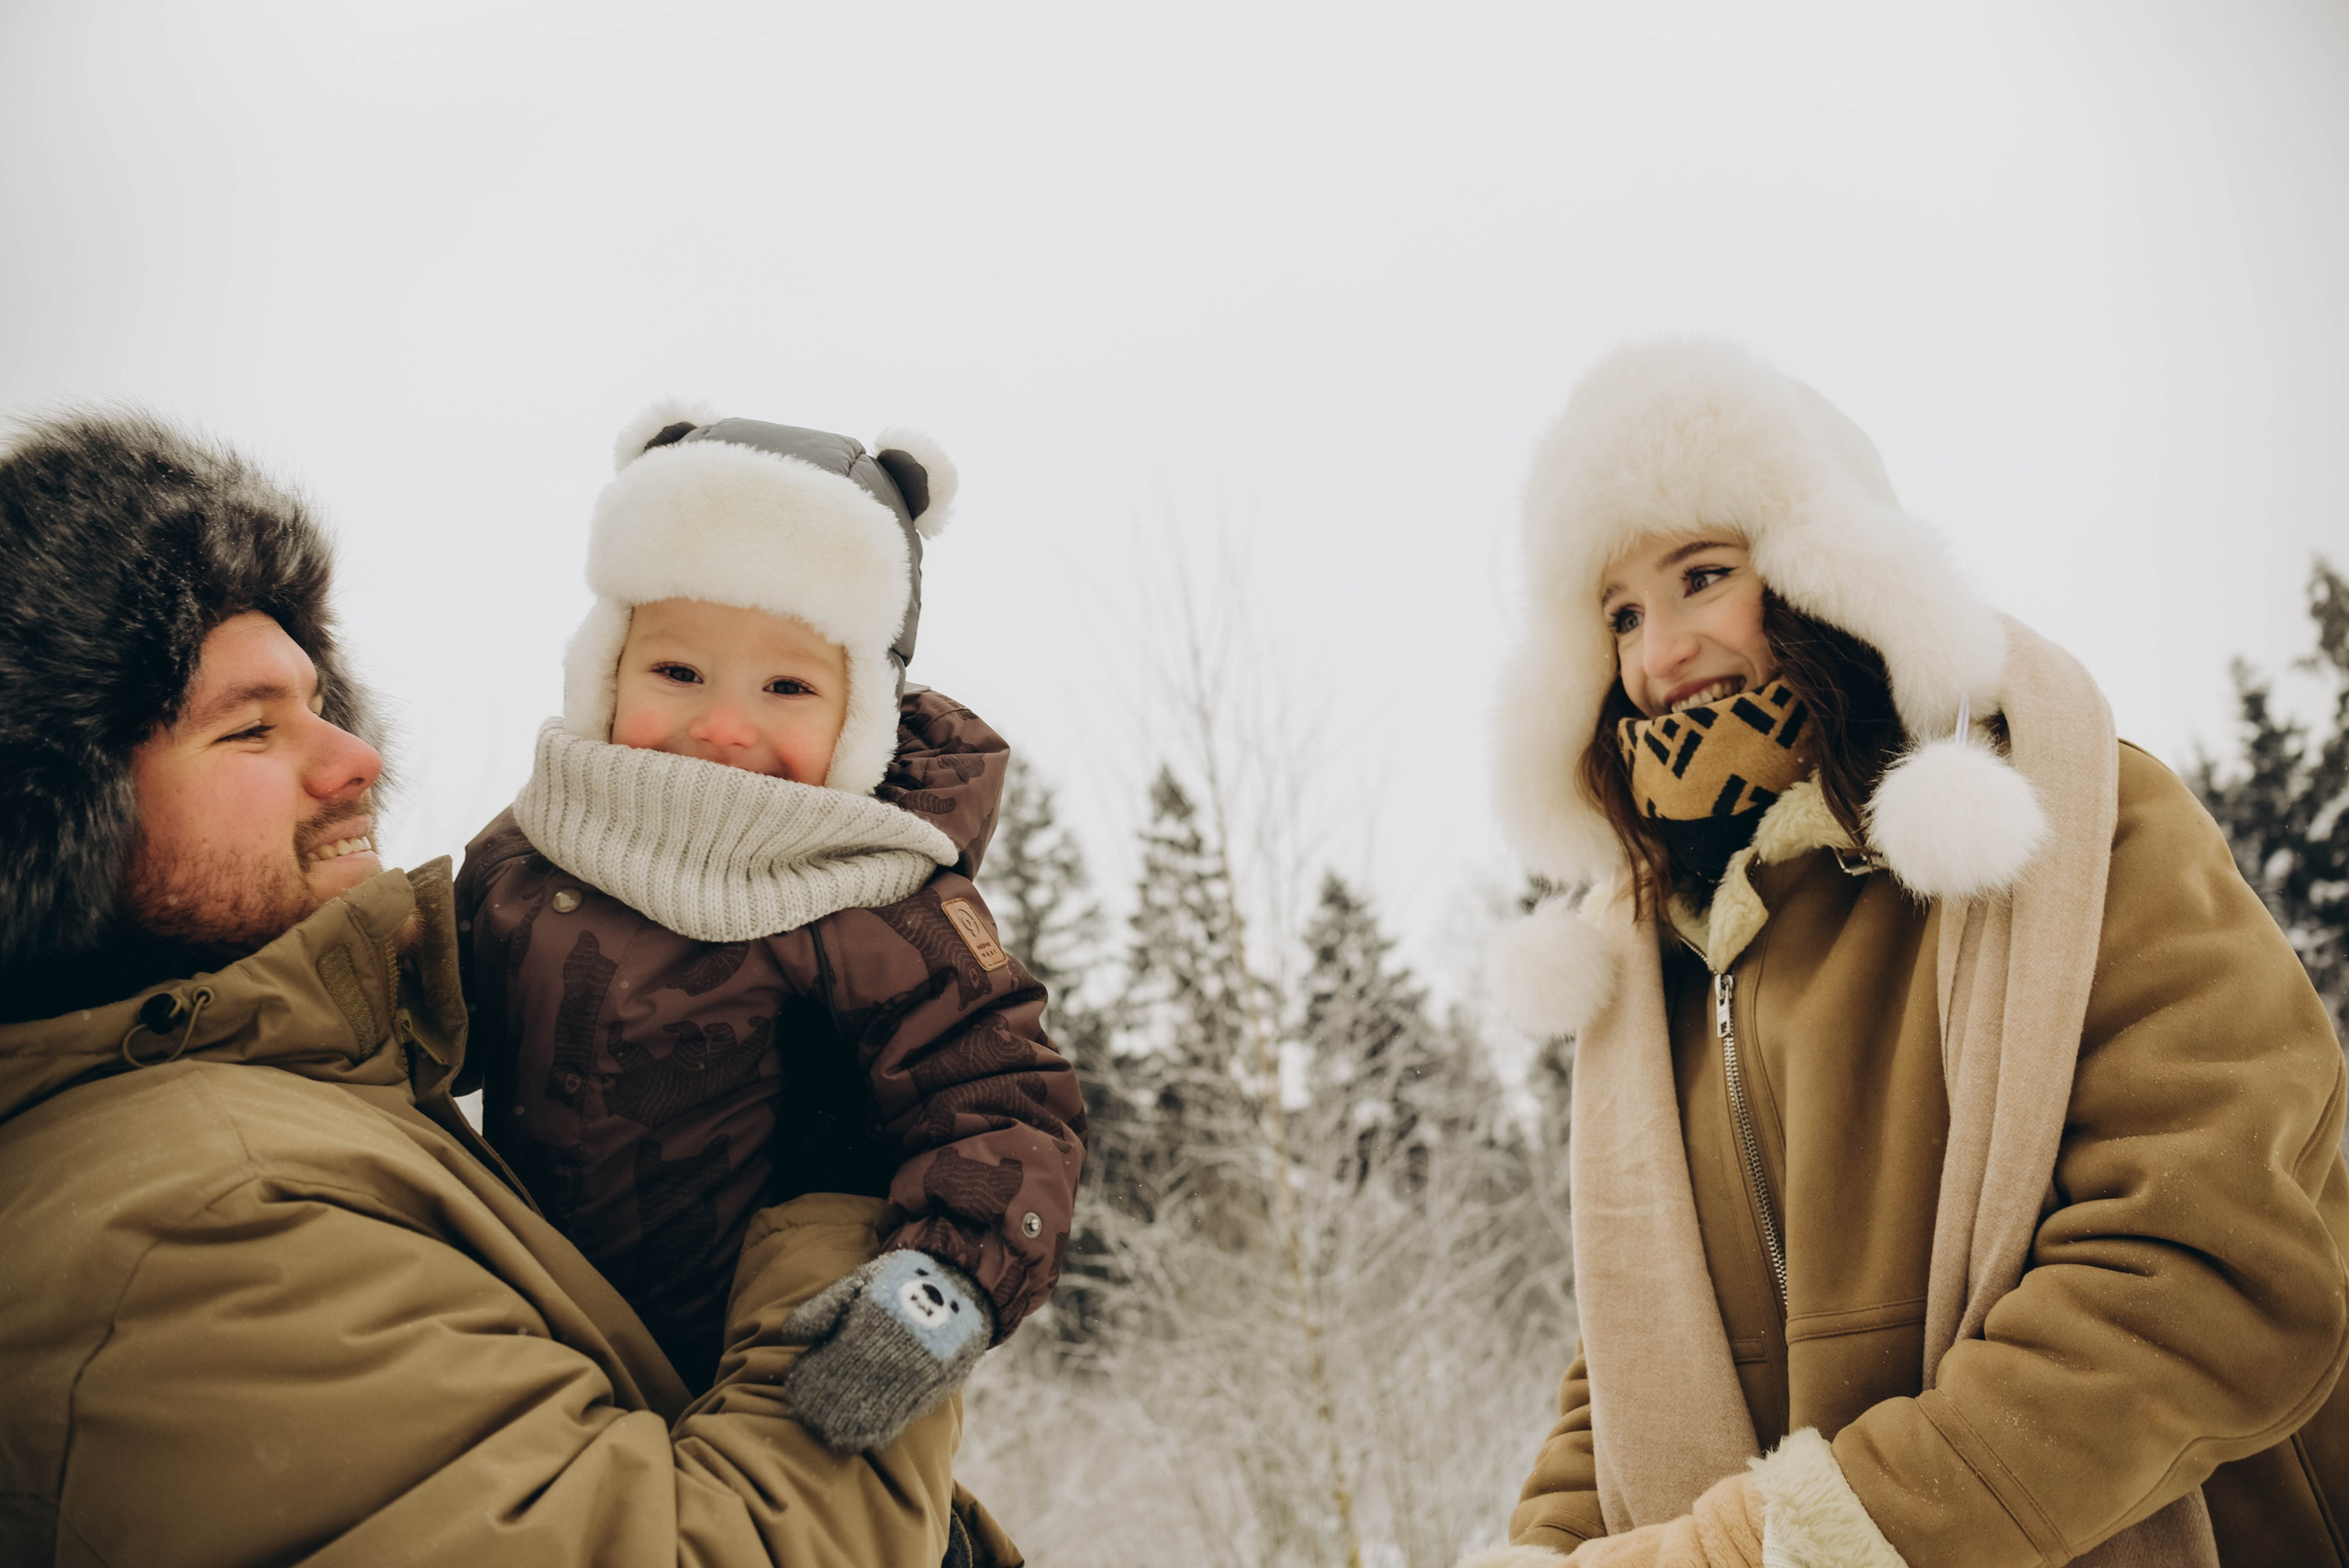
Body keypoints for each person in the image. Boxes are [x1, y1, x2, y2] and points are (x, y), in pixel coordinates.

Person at [0, 409, 1023, 1566]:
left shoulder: (289, 1094)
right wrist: (839, 1206)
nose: (359, 756)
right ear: (48, 821)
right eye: (250, 728)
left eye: (322, 704)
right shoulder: (194, 1224)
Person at [1473, 342, 2349, 1568]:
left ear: (1830, 567)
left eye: (1702, 575)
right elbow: (1628, 1348)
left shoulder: (2077, 826)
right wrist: (1548, 1550)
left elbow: (2211, 1266)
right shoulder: (1656, 962)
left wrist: (1792, 1543)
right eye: (1619, 613)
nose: (1660, 650)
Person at [453, 404, 1084, 1447]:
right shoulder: (535, 850)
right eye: (678, 671)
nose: (723, 723)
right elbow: (408, 1028)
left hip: (772, 1387)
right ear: (605, 670)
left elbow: (1002, 1101)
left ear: (862, 715)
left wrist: (938, 1288)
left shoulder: (880, 897)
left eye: (786, 684)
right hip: (526, 1366)